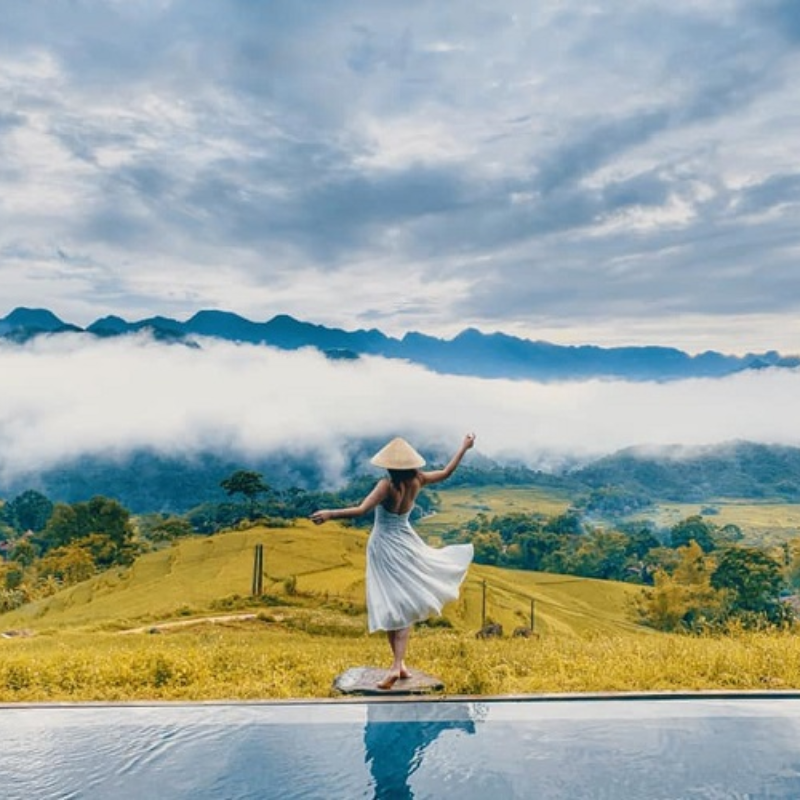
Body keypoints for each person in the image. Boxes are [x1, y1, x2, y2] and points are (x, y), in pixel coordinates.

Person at [310, 433, 476, 690]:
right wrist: (464, 447)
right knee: (401, 602)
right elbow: (446, 472)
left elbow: (361, 510)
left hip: (384, 546)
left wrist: (331, 513)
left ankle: (397, 665)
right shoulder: (418, 479)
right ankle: (399, 664)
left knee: (391, 602)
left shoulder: (386, 486)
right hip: (406, 541)